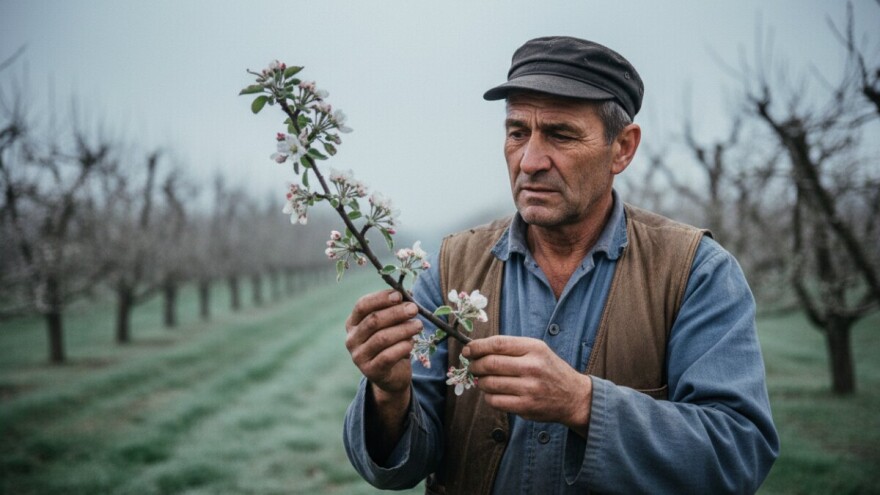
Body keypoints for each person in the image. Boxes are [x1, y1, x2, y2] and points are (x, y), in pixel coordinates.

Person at [342, 36, 779, 494]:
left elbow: (738, 453)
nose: (529, 161)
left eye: (561, 134)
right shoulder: (453, 268)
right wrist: (390, 395)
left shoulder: (695, 272)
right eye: (517, 133)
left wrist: (583, 403)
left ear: (622, 148)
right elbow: (403, 465)